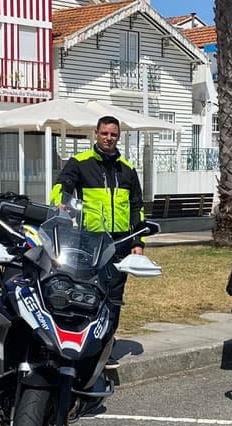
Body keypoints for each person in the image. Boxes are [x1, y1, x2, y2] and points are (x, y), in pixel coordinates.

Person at [48, 115, 146, 346]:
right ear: (96, 133)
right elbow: (62, 186)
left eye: (113, 134)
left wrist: (138, 242)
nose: (108, 138)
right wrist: (59, 202)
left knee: (113, 297)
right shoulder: (80, 162)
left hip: (120, 243)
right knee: (87, 294)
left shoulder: (128, 170)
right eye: (104, 133)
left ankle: (106, 345)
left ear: (118, 137)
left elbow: (137, 207)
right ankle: (83, 343)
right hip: (89, 241)